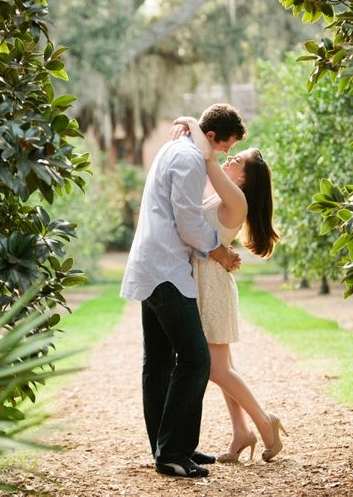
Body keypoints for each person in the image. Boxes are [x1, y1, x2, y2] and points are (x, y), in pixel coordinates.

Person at [120, 104, 246, 479]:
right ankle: (173, 452)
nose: (222, 156)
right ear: (211, 138)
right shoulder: (190, 157)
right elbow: (188, 221)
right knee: (195, 359)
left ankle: (173, 446)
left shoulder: (174, 148)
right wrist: (220, 251)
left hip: (153, 265)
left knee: (159, 362)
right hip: (166, 270)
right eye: (224, 148)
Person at [171, 116, 286, 463]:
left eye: (239, 160)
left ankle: (265, 423)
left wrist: (192, 123)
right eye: (233, 154)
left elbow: (206, 159)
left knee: (215, 369)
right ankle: (241, 432)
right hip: (207, 279)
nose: (230, 158)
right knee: (224, 366)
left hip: (213, 286)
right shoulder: (225, 193)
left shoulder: (236, 199)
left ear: (245, 178)